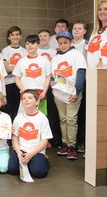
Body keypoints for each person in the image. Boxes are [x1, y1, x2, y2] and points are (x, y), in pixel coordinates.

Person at [51, 30, 87, 160]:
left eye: (65, 42)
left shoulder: (77, 55)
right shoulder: (55, 58)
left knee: (71, 119)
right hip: (59, 93)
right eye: (60, 43)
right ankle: (65, 144)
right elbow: (52, 75)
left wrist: (77, 91)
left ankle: (72, 146)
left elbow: (81, 74)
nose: (62, 45)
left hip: (72, 94)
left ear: (70, 42)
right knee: (63, 119)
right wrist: (51, 82)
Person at [8, 89, 52, 178]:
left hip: (36, 151)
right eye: (24, 98)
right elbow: (15, 138)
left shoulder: (42, 118)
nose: (26, 100)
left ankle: (44, 161)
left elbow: (45, 141)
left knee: (39, 173)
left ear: (37, 101)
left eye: (30, 98)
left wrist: (31, 154)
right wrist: (18, 152)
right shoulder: (18, 117)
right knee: (12, 170)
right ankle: (29, 162)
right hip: (21, 150)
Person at [13, 35, 50, 116]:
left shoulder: (44, 60)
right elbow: (17, 78)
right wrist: (23, 91)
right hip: (26, 94)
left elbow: (48, 77)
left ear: (38, 45)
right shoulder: (21, 61)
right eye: (27, 44)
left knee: (41, 116)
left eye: (32, 43)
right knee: (24, 116)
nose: (30, 46)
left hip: (40, 94)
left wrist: (45, 91)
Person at [1, 26, 27, 121]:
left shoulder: (24, 51)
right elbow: (7, 68)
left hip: (20, 84)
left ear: (20, 36)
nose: (15, 37)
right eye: (12, 35)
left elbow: (25, 69)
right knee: (8, 109)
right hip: (8, 83)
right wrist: (18, 68)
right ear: (9, 37)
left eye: (17, 34)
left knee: (18, 109)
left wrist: (13, 67)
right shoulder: (5, 51)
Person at [72, 20, 88, 153]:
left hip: (86, 82)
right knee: (70, 116)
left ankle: (81, 141)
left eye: (79, 28)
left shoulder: (87, 45)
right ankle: (70, 142)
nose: (76, 30)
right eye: (74, 28)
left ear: (85, 31)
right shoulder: (67, 45)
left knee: (82, 113)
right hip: (68, 85)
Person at [87, 0, 107, 68]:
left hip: (106, 71)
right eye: (100, 9)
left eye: (106, 9)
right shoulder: (95, 32)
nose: (102, 12)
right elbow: (89, 53)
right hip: (92, 72)